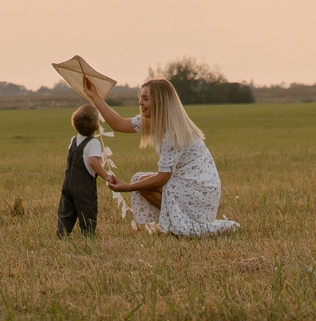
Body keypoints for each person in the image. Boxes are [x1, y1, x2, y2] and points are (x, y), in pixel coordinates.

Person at [87, 76, 239, 237]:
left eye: (145, 99)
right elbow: (118, 124)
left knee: (141, 184)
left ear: (159, 102)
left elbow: (163, 178)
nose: (140, 103)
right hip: (187, 184)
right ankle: (178, 223)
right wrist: (94, 96)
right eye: (140, 98)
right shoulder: (156, 122)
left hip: (200, 190)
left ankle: (182, 224)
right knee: (141, 181)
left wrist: (127, 187)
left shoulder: (173, 132)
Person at [56, 104, 105, 237]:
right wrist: (106, 176)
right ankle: (88, 234)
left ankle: (62, 233)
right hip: (84, 186)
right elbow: (93, 161)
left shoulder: (73, 140)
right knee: (87, 210)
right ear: (96, 126)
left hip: (67, 184)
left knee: (66, 210)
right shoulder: (93, 143)